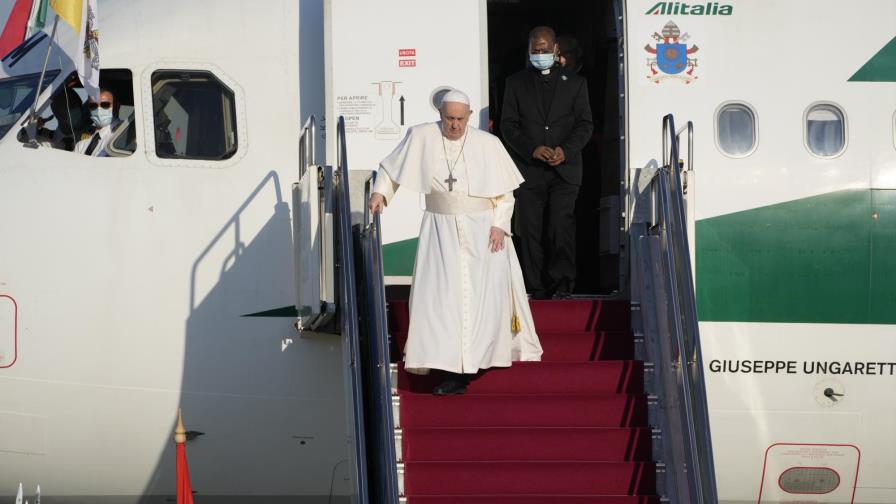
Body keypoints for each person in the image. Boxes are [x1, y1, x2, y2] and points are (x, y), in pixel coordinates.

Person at [368, 89, 543, 396]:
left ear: (470, 116)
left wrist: (500, 226)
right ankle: (447, 368)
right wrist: (380, 192)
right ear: (440, 115)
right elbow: (391, 168)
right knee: (441, 301)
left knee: (479, 301)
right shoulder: (422, 136)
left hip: (482, 231)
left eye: (461, 119)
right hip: (439, 230)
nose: (455, 126)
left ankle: (474, 362)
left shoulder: (488, 144)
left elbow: (505, 194)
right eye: (449, 118)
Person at [500, 26, 593, 299]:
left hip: (565, 170)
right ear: (529, 51)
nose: (539, 54)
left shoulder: (576, 83)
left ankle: (562, 284)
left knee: (559, 227)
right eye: (535, 50)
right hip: (529, 169)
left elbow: (585, 125)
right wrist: (533, 149)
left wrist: (565, 150)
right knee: (529, 229)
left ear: (555, 50)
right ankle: (534, 286)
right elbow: (508, 125)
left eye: (544, 49)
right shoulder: (515, 83)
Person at [75, 88, 122, 157]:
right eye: (93, 106)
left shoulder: (124, 134)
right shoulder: (81, 145)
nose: (98, 109)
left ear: (116, 106)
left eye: (105, 105)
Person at [35, 86, 85, 151]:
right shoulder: (45, 137)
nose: (77, 109)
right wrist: (34, 126)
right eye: (69, 105)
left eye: (76, 105)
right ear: (54, 109)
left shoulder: (91, 137)